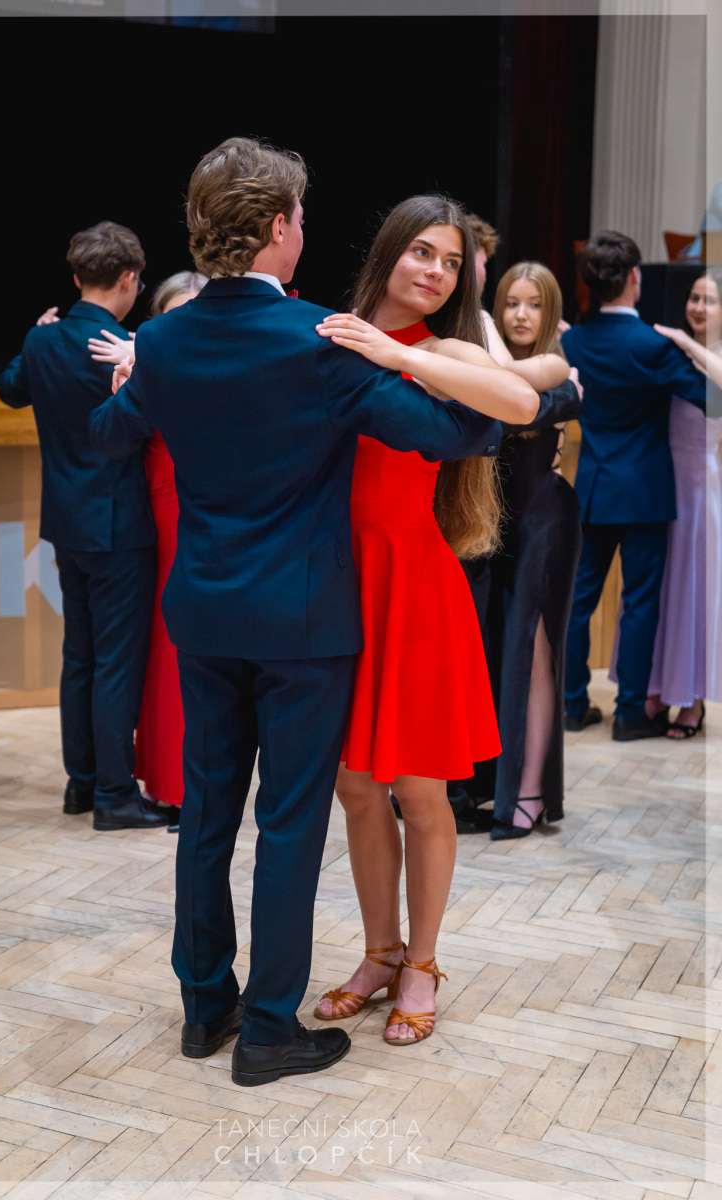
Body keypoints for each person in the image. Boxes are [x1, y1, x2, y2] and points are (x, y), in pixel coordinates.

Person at [89, 137, 538, 1087]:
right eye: (299, 217)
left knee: (207, 817)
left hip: (204, 615)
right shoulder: (317, 340)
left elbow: (108, 439)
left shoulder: (163, 341)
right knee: (290, 824)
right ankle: (267, 1032)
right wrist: (431, 377)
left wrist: (134, 383)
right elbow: (460, 432)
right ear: (279, 227)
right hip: (304, 622)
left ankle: (203, 1008)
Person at [311, 203, 570, 1042]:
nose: (435, 271)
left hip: (413, 585)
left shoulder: (444, 351)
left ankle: (421, 963)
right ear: (390, 251)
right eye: (422, 252)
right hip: (337, 583)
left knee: (419, 790)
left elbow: (521, 401)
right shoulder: (330, 332)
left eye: (452, 262)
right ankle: (380, 952)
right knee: (355, 786)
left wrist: (397, 355)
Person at [0, 221, 179, 831]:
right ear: (130, 279)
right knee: (117, 664)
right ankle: (115, 796)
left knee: (80, 656)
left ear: (76, 277)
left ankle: (80, 785)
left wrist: (38, 338)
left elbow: (12, 391)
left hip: (65, 524)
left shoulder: (42, 340)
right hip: (122, 526)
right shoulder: (132, 347)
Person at [561, 231, 719, 741]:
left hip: (592, 488)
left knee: (577, 602)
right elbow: (713, 401)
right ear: (635, 277)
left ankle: (572, 705)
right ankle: (631, 714)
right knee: (641, 603)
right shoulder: (654, 344)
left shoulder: (574, 341)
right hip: (648, 491)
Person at [88, 271, 208, 819]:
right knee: (171, 642)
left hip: (219, 502)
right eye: (176, 314)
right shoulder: (145, 362)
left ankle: (187, 778)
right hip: (171, 504)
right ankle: (173, 782)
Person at [480, 262, 582, 837]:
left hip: (546, 521)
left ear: (551, 312)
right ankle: (492, 785)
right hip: (495, 523)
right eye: (512, 303)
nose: (521, 315)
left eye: (535, 304)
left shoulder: (555, 366)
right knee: (499, 650)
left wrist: (479, 330)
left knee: (537, 653)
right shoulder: (491, 361)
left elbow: (502, 381)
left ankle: (531, 793)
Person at [610, 268, 722, 736]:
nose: (697, 307)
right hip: (659, 480)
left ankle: (692, 699)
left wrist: (686, 343)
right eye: (693, 298)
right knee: (656, 588)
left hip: (699, 486)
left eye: (709, 300)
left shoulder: (703, 352)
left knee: (694, 591)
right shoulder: (669, 350)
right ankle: (655, 687)